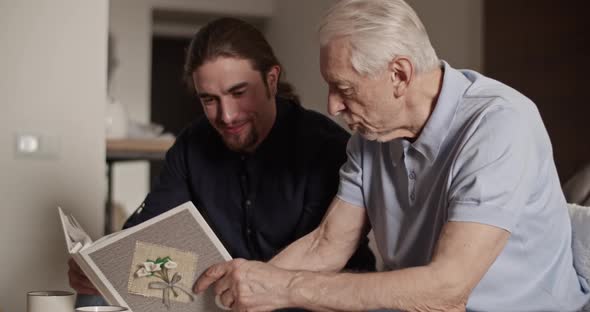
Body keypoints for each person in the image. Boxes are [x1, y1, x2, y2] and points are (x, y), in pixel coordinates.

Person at [194, 1, 590, 311]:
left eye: (343, 88)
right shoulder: (370, 137)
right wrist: (241, 292)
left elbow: (446, 290)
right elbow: (326, 245)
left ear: (399, 75)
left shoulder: (499, 123)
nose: (332, 106)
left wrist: (286, 288)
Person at [68, 17, 375, 308]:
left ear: (271, 80)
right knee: (96, 295)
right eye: (209, 100)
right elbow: (144, 235)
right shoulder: (191, 146)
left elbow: (325, 257)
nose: (226, 116)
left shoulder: (328, 147)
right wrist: (105, 265)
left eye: (239, 93)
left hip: (307, 299)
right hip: (220, 302)